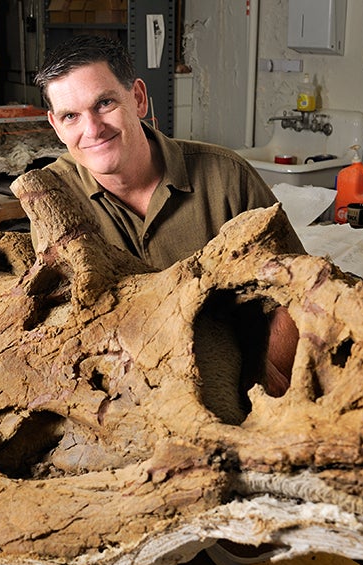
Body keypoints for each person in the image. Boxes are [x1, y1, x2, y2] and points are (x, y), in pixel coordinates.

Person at [33, 34, 298, 397]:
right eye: (71, 116)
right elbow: (67, 328)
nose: (92, 129)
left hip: (242, 385)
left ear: (138, 98)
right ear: (55, 125)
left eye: (105, 103)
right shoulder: (53, 198)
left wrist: (261, 390)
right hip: (126, 397)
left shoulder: (227, 177)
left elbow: (298, 297)